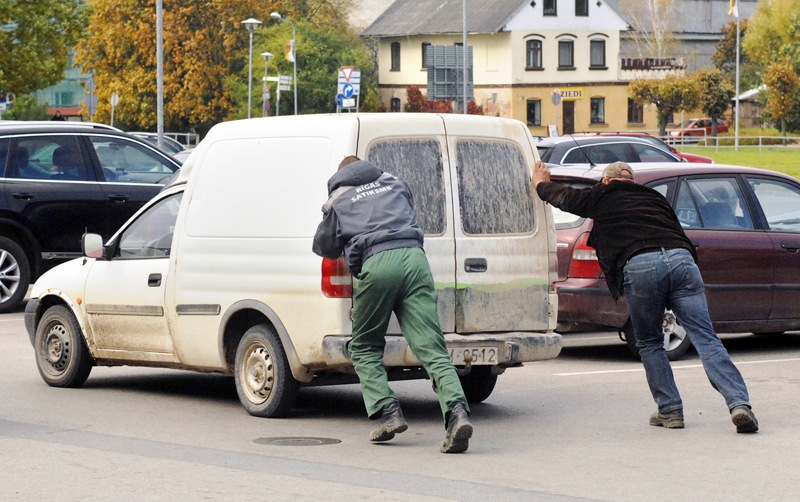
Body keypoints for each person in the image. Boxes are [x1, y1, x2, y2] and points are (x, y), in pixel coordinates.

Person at [533, 160, 758, 433]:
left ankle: (670, 411)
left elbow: (565, 198)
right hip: (682, 260)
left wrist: (541, 183)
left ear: (606, 181)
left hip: (641, 264)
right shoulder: (654, 197)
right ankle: (739, 404)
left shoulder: (601, 195)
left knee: (650, 342)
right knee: (705, 337)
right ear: (631, 181)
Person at [313, 155, 474, 453]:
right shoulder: (395, 183)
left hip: (378, 263)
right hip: (414, 258)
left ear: (342, 175)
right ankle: (457, 414)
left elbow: (324, 246)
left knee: (363, 346)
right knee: (431, 347)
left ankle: (388, 412)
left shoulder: (338, 199)